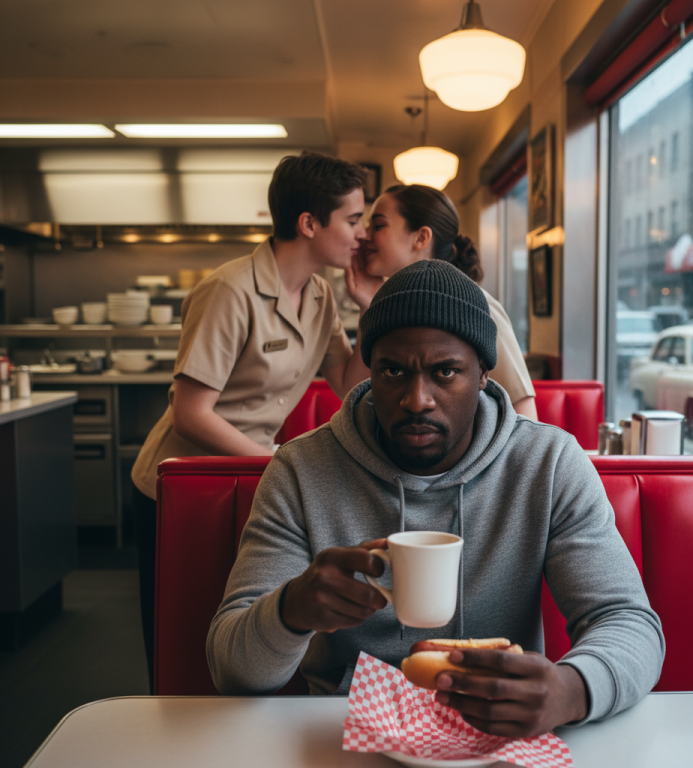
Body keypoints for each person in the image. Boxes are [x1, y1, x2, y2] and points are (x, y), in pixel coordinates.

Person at [207, 260, 664, 738]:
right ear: (370, 371)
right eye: (393, 371)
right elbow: (231, 668)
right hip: (338, 733)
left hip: (498, 729)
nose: (417, 399)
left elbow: (628, 622)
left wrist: (570, 690)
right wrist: (288, 611)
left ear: (484, 373)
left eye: (445, 372)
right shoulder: (300, 470)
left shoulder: (547, 464)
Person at [131, 151, 380, 689]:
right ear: (309, 223)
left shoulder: (319, 294)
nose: (362, 234)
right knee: (184, 642)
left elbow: (348, 384)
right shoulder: (230, 289)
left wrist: (367, 309)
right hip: (181, 485)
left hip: (250, 476)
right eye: (353, 219)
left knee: (241, 634)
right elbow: (190, 413)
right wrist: (283, 465)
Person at [363, 183, 537, 419]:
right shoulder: (384, 310)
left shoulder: (479, 308)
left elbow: (524, 415)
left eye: (378, 226)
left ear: (421, 237)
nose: (364, 235)